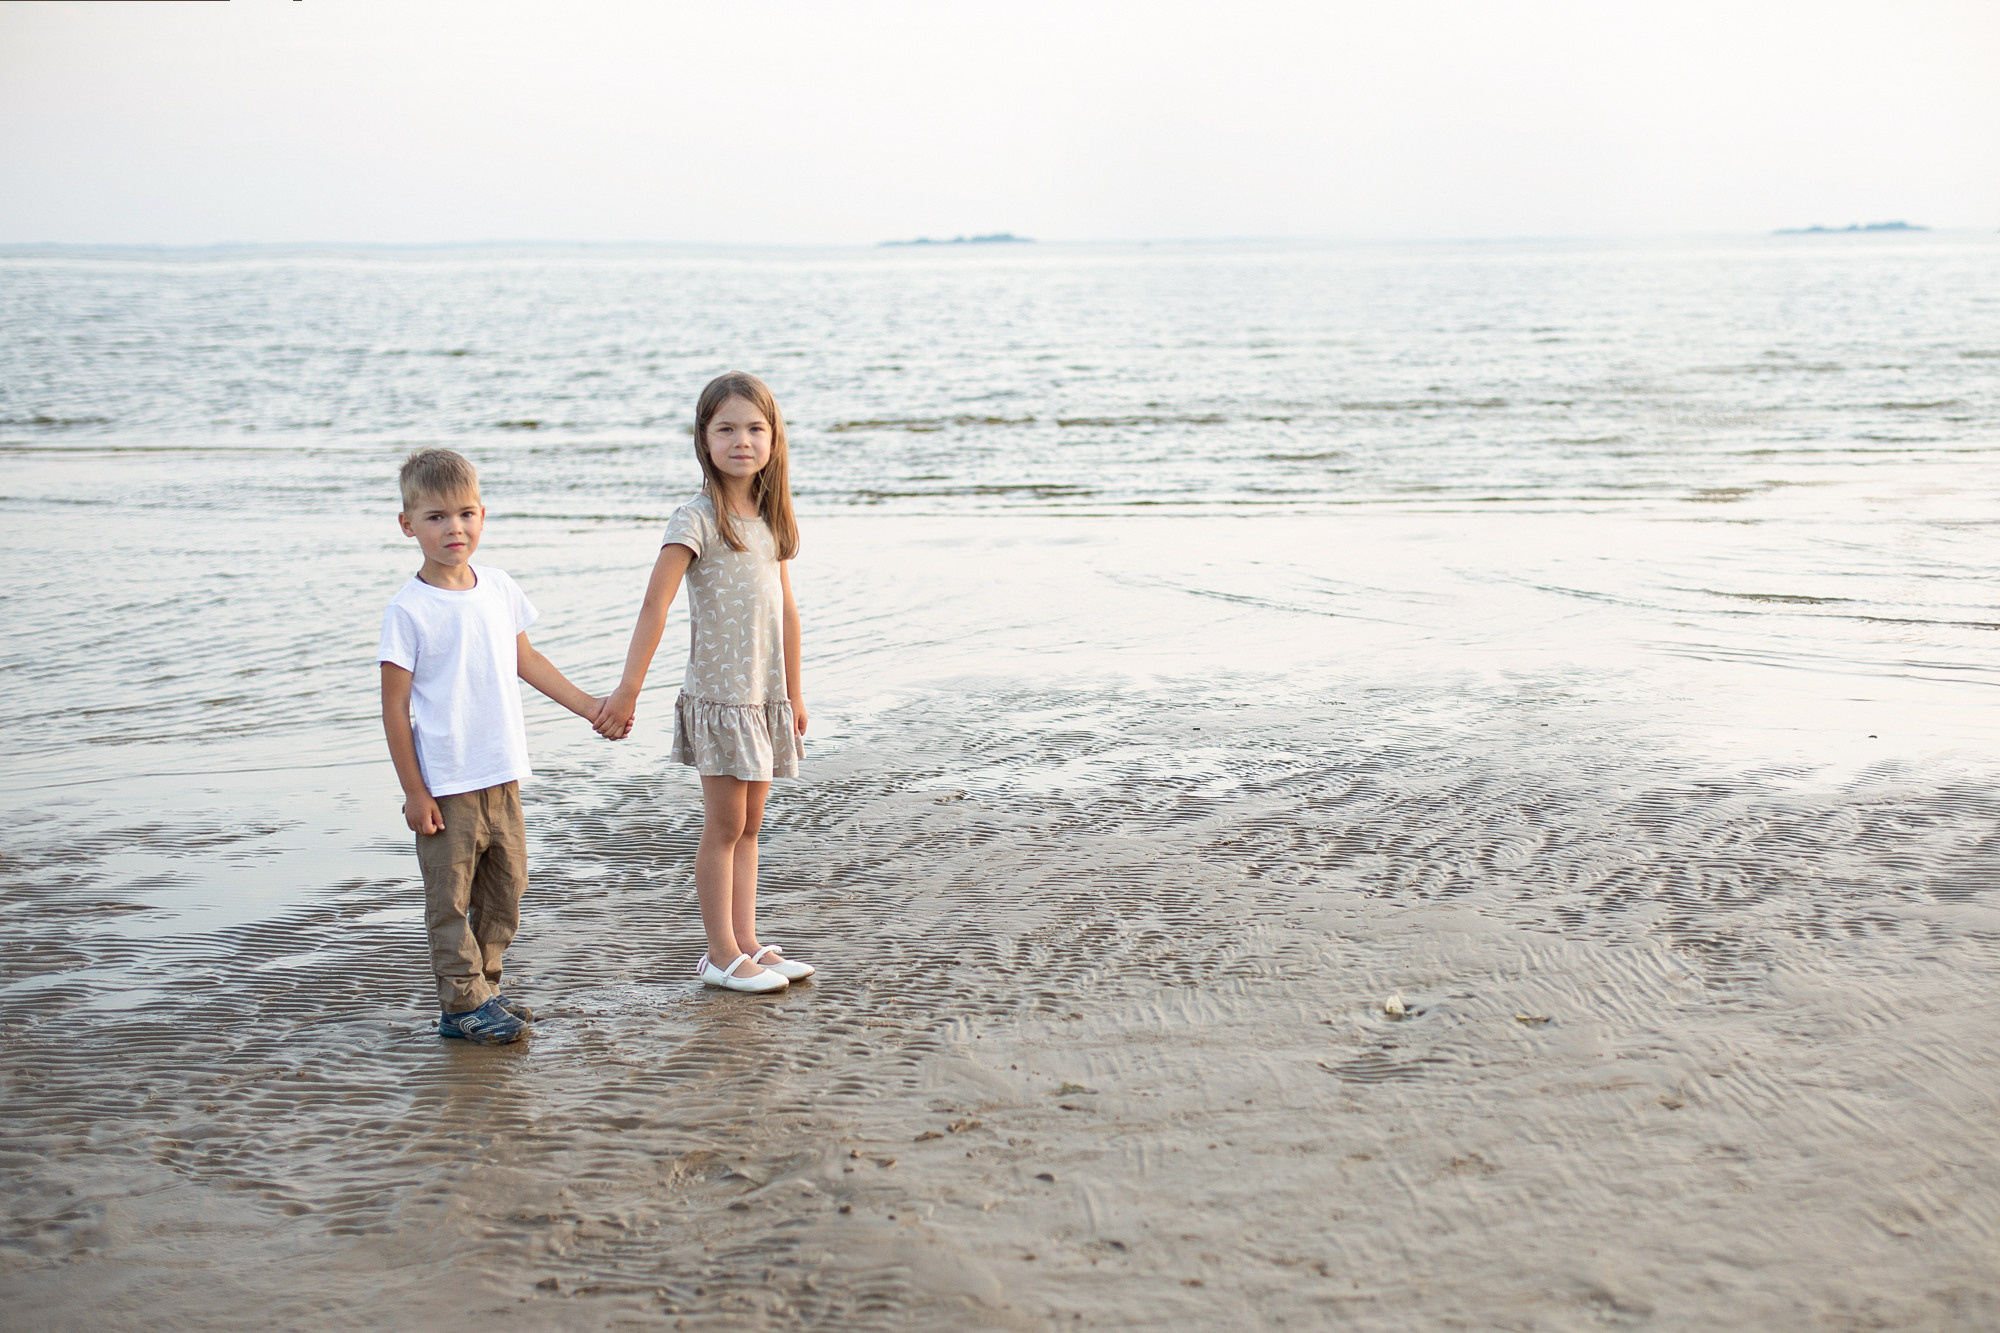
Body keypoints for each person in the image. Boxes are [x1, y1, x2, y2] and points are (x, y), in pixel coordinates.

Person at [379, 448, 622, 1044]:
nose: (453, 528)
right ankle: (461, 1003)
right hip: (446, 783)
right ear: (408, 524)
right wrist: (414, 791)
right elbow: (394, 707)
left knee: (506, 887)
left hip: (502, 772)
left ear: (483, 516)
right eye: (436, 517)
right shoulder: (408, 610)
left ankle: (486, 985)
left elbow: (527, 660)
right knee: (450, 898)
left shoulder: (500, 588)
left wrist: (591, 706)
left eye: (465, 514)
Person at [594, 371, 814, 994]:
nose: (741, 440)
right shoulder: (696, 519)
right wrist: (628, 689)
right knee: (722, 827)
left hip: (762, 698)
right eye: (726, 429)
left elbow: (788, 612)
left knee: (752, 826)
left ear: (773, 439)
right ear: (704, 440)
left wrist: (794, 694)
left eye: (754, 428)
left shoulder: (772, 519)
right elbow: (653, 607)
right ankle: (719, 954)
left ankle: (746, 943)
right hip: (720, 699)